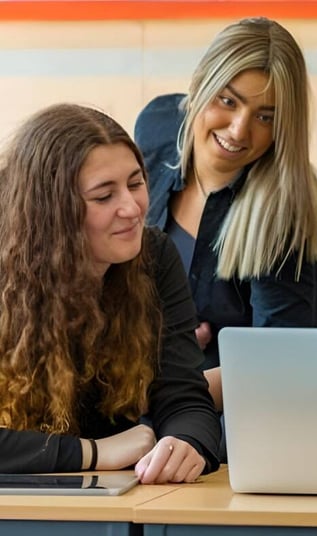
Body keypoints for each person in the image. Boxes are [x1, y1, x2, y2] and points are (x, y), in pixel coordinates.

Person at [0, 103, 220, 483]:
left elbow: (184, 394)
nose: (132, 208)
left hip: (110, 498)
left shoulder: (154, 258)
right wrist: (94, 452)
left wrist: (187, 442)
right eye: (104, 196)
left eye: (135, 184)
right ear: (51, 210)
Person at [134, 17, 317, 408]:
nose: (240, 131)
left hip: (222, 415)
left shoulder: (285, 210)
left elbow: (276, 363)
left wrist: (151, 394)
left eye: (266, 116)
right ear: (199, 86)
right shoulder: (156, 128)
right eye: (228, 101)